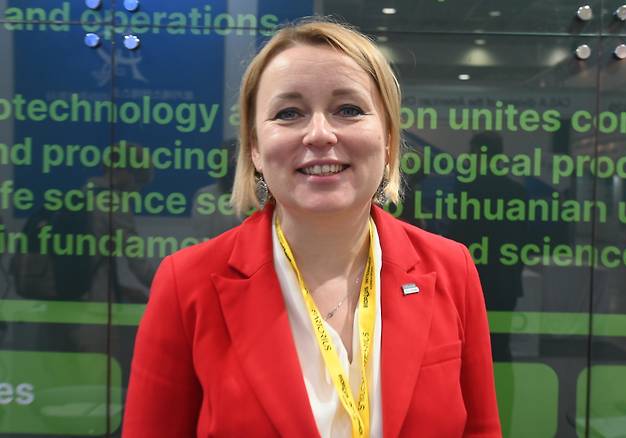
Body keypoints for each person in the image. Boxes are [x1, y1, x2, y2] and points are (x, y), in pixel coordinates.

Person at [123, 18, 501, 437]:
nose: (319, 134)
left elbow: (481, 430)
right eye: (289, 113)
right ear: (255, 149)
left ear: (390, 139)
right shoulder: (186, 284)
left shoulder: (451, 269)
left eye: (349, 110)